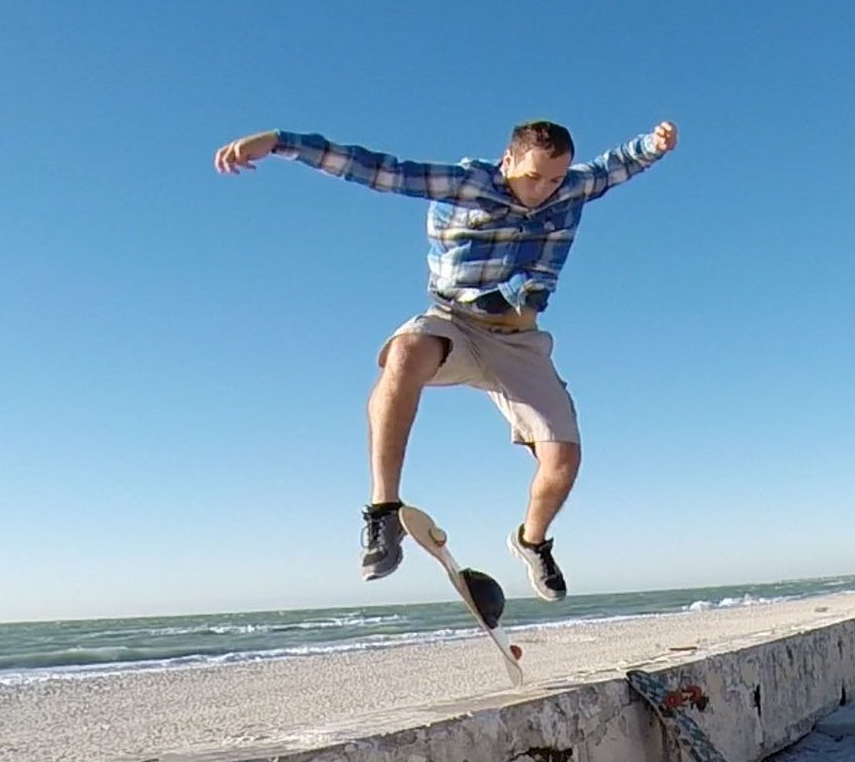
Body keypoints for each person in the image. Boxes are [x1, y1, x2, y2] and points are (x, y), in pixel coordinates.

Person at [214, 118, 678, 601]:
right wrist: (279, 143)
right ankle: (383, 510)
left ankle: (533, 541)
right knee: (405, 352)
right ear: (508, 161)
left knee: (563, 460)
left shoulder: (571, 189)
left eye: (555, 179)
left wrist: (656, 143)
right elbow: (376, 170)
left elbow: (618, 165)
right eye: (533, 177)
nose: (543, 190)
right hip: (453, 321)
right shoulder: (466, 184)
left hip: (519, 341)